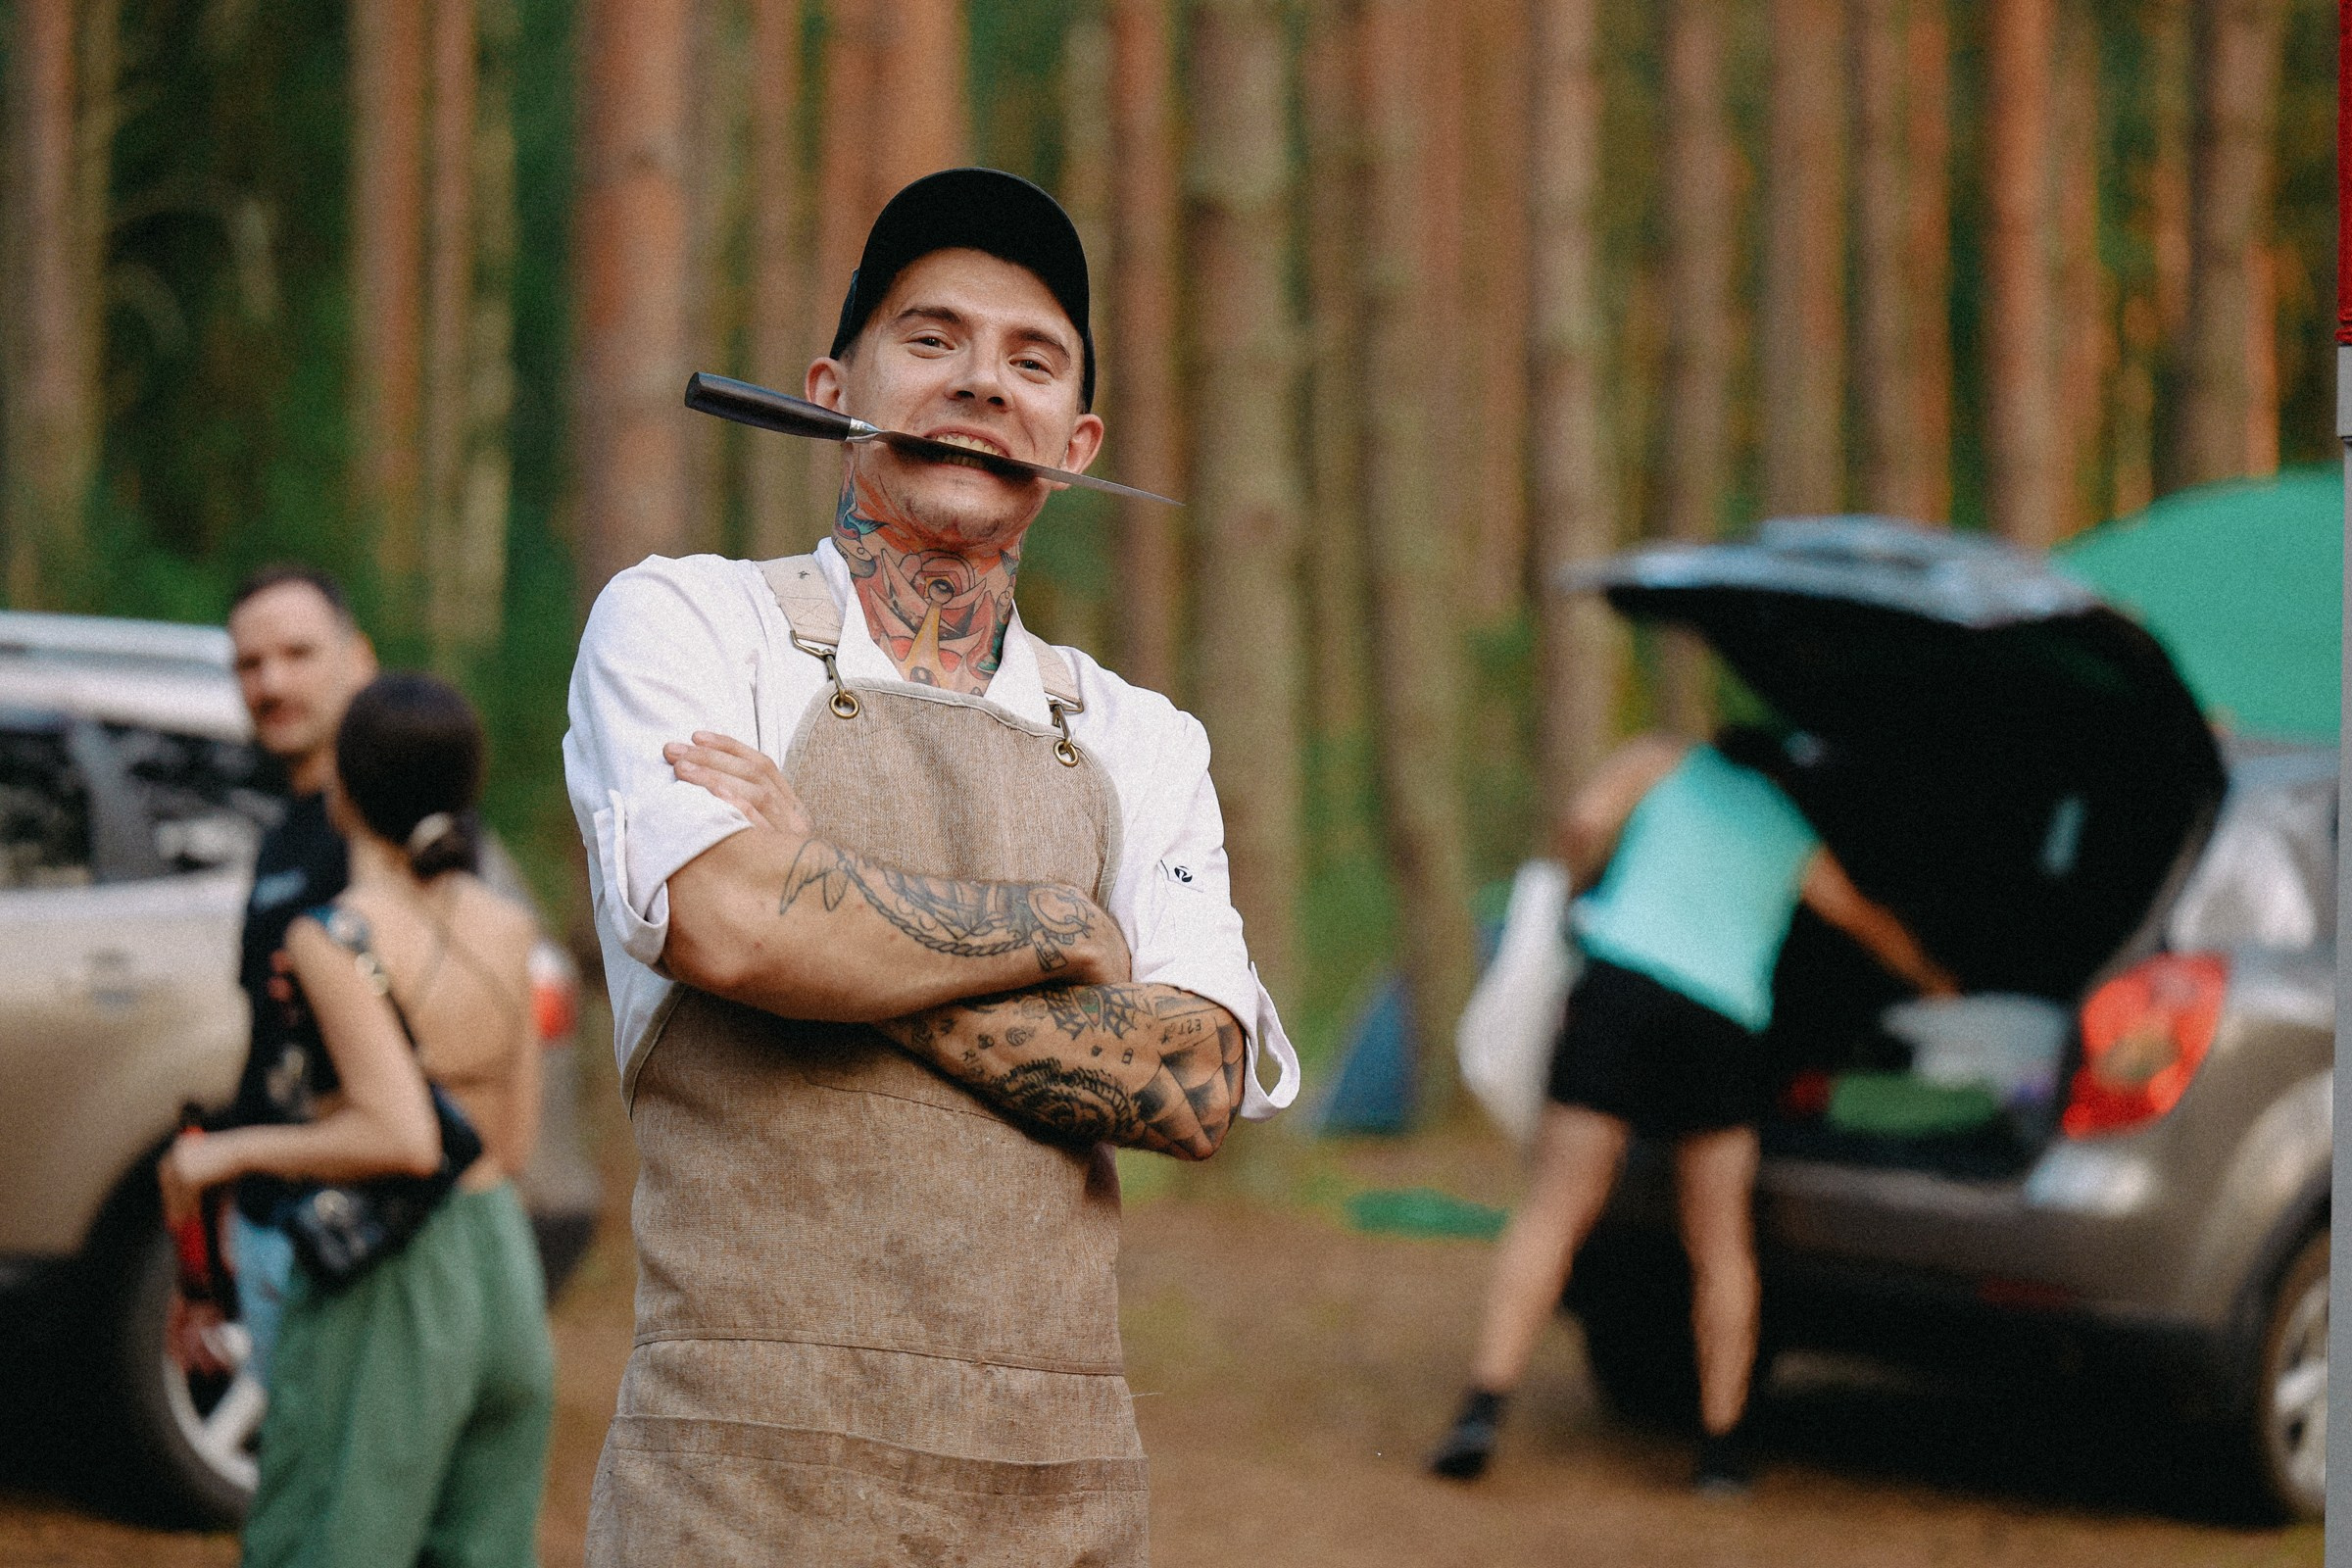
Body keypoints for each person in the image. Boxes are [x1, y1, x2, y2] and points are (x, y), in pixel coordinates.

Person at [564, 167, 1298, 1563]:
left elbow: (1194, 1079)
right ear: (831, 384)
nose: (979, 382)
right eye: (930, 338)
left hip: (1056, 1501)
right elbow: (731, 929)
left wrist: (821, 893)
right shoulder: (686, 624)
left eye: (1031, 361)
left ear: (1076, 442)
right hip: (740, 1485)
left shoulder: (1145, 739)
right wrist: (1065, 926)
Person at [1428, 730, 1958, 1493]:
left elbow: (1582, 819)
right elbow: (1861, 920)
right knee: (1718, 1238)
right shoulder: (1790, 830)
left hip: (1623, 990)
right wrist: (1939, 985)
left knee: (1555, 1207)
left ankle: (1482, 1408)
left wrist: (1575, 896)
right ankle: (1721, 1450)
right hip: (1721, 1022)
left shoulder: (1662, 761)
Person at [160, 673, 554, 1566]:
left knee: (333, 1538)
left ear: (345, 783)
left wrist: (223, 1154)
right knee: (482, 1549)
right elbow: (518, 1140)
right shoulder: (505, 924)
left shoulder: (334, 935)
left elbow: (404, 1138)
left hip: (393, 1277)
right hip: (501, 1263)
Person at [173, 566, 378, 1385]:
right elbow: (269, 1044)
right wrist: (206, 1260)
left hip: (356, 1240)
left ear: (358, 659)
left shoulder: (389, 833)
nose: (272, 682)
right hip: (271, 1231)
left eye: (297, 653)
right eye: (250, 664)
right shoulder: (283, 833)